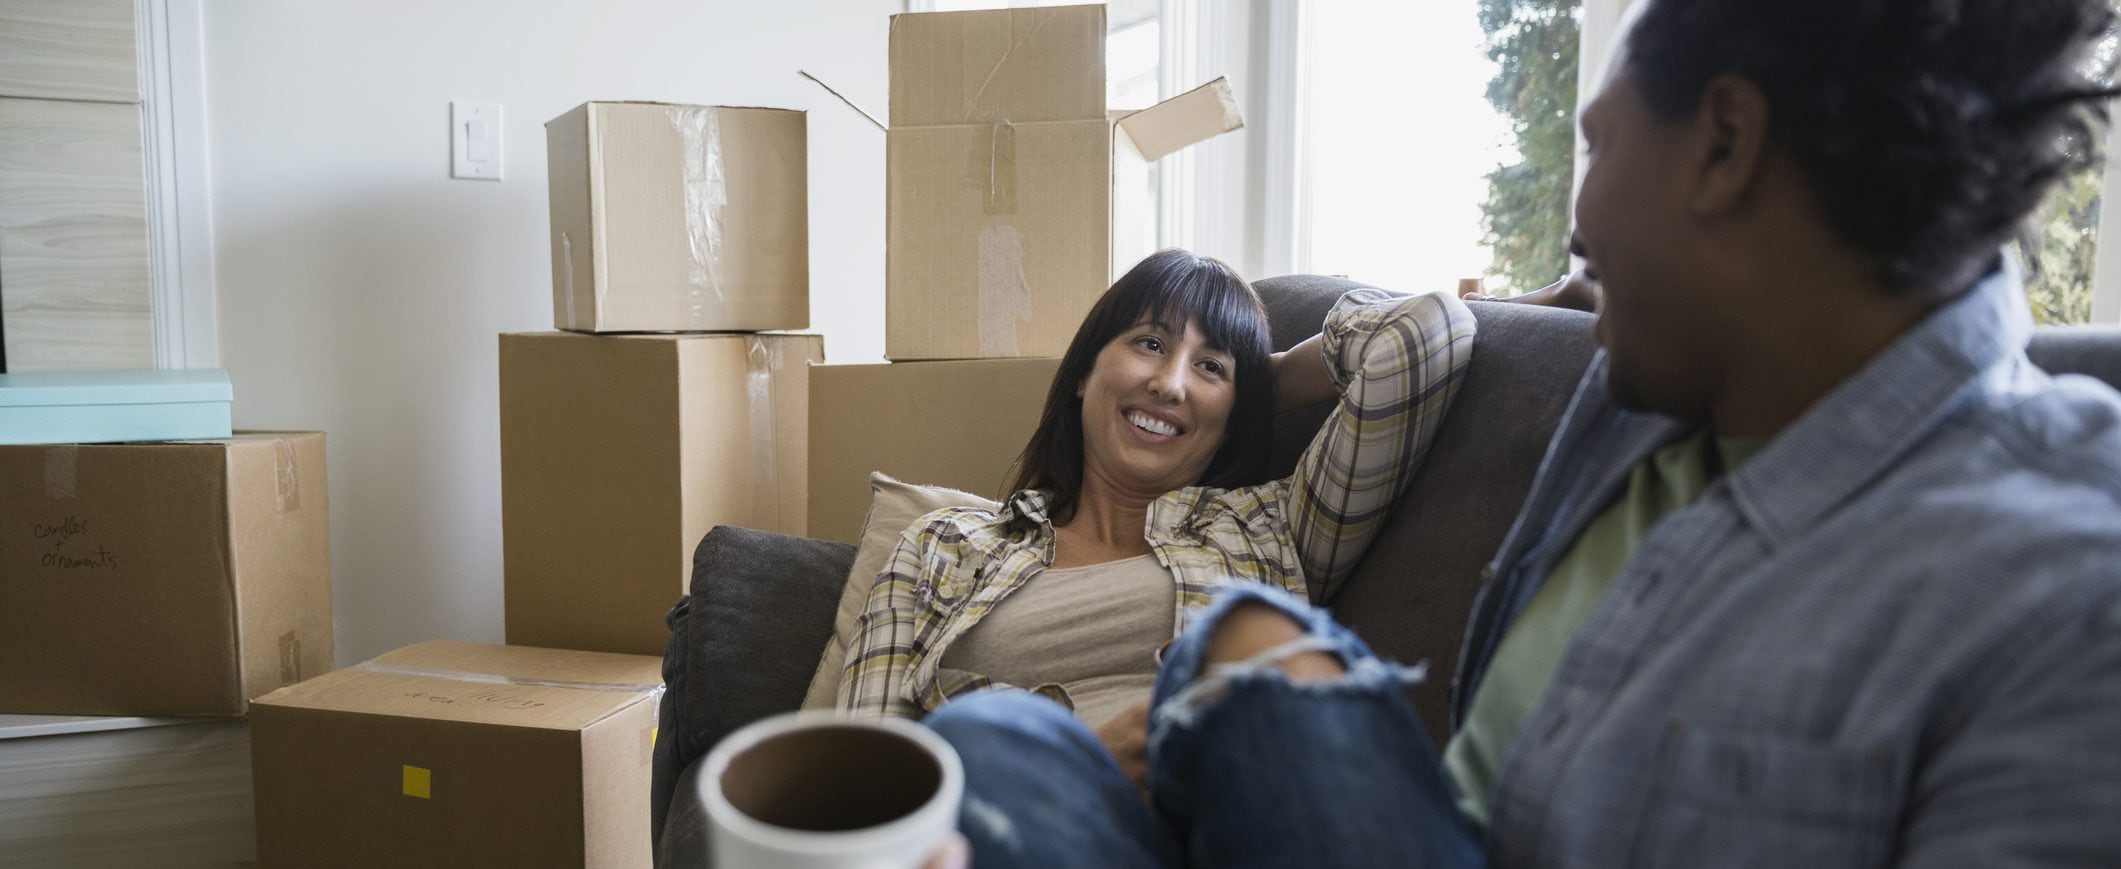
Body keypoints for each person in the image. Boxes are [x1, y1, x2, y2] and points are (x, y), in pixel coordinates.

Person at [924, 0, 2121, 865]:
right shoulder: (1638, 400)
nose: (1579, 220)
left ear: (1724, 146)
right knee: (993, 735)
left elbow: (1417, 341)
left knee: (1248, 645)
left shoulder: (2069, 581)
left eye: (1595, 146)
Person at [836, 249, 1478, 779]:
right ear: (1085, 371)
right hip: (1016, 820)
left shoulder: (1272, 526)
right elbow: (861, 767)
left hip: (1220, 819)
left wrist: (1260, 385)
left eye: (1209, 367)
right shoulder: (945, 543)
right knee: (980, 731)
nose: (1170, 384)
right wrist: (1082, 765)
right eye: (1149, 343)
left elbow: (1425, 334)